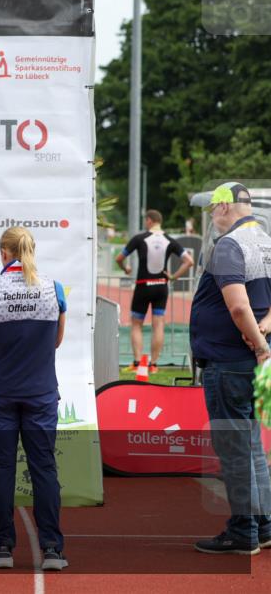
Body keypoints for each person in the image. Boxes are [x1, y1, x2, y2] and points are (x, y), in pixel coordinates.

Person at [0, 227, 68, 571]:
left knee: (1, 470)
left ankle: (2, 547)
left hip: (0, 393)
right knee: (44, 468)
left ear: (4, 252)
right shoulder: (54, 289)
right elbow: (56, 342)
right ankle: (53, 550)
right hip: (41, 393)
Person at [188, 182, 271, 555]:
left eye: (211, 209)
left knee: (235, 448)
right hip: (251, 360)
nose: (210, 216)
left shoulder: (229, 246)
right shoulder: (266, 241)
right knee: (252, 445)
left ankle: (244, 531)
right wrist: (263, 337)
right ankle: (264, 524)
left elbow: (238, 308)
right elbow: (257, 309)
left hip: (229, 359)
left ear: (224, 207)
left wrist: (258, 343)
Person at [115, 209, 194, 373]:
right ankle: (153, 365)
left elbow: (119, 258)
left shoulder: (139, 238)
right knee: (158, 325)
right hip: (161, 286)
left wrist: (126, 269)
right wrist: (173, 277)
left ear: (149, 221)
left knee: (136, 325)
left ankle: (137, 363)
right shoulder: (170, 240)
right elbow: (189, 261)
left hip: (143, 286)